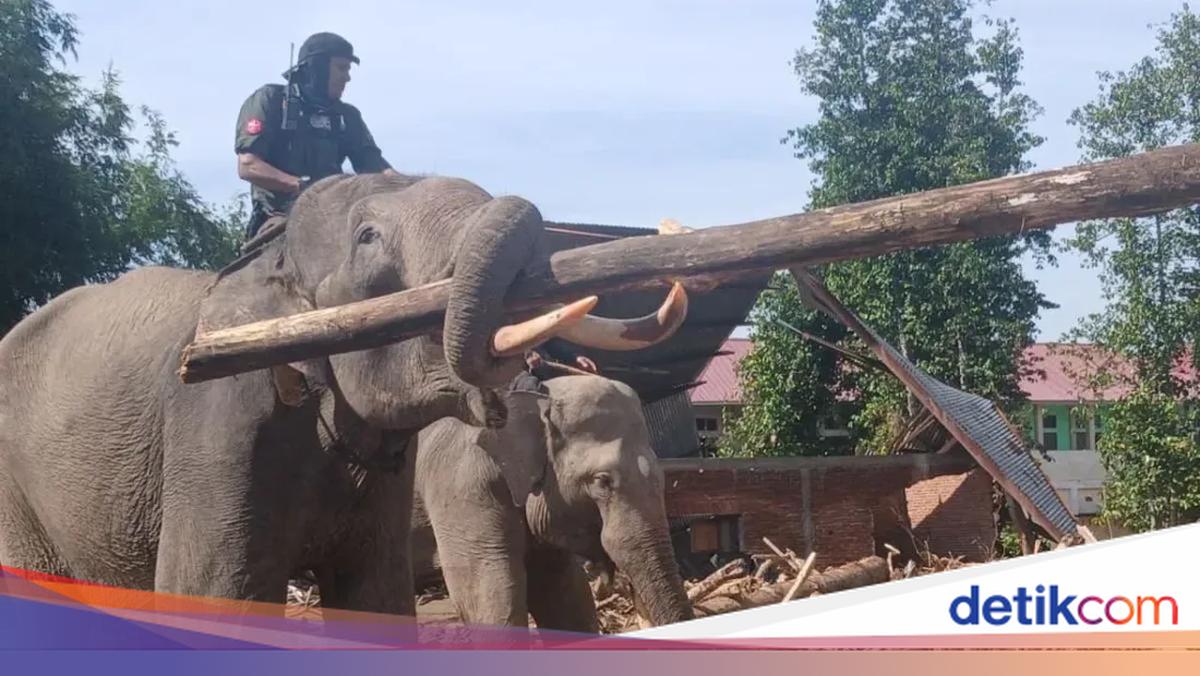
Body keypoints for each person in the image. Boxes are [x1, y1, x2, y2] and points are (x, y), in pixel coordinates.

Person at [234, 32, 397, 239]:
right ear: (317, 68)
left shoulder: (347, 116)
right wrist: (304, 187)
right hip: (280, 219)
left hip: (336, 218)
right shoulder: (271, 100)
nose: (347, 77)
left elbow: (377, 168)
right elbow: (248, 166)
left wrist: (416, 189)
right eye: (341, 68)